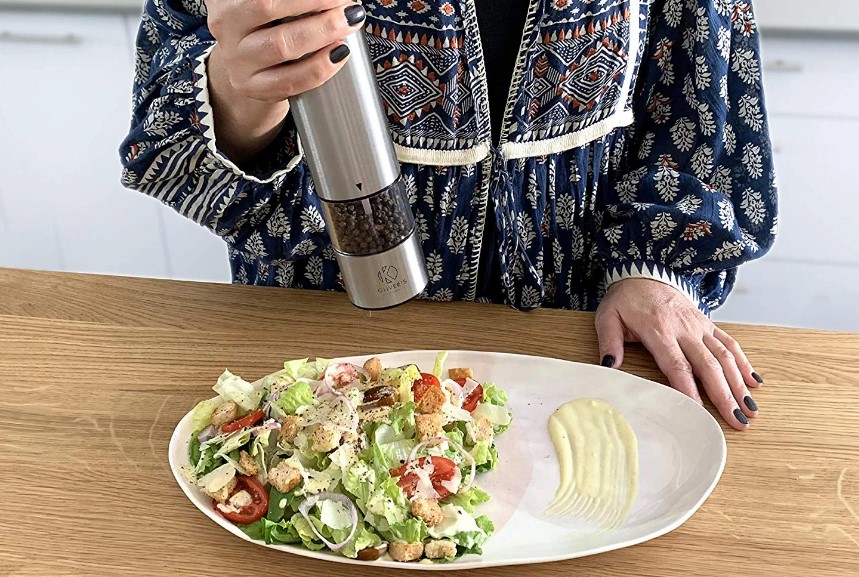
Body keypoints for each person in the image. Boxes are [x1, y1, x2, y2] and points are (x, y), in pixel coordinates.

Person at [121, 0, 777, 431]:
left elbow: (698, 84)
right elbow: (168, 131)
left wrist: (654, 266)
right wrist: (238, 90)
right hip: (318, 362)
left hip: (574, 362)